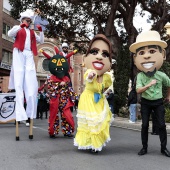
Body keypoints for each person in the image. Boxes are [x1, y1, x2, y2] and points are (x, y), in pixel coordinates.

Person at [129, 30, 170, 157]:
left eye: (152, 51)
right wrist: (149, 85)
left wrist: (168, 96)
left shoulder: (161, 75)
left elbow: (169, 84)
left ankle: (164, 148)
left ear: (162, 54)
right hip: (146, 102)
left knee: (162, 125)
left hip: (158, 102)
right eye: (142, 53)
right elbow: (138, 90)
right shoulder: (140, 76)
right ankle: (144, 148)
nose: (147, 56)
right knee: (145, 125)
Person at [74, 34, 113, 153]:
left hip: (100, 100)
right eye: (95, 52)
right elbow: (89, 78)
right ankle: (91, 144)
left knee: (100, 121)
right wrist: (91, 76)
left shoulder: (106, 77)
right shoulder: (89, 72)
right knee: (91, 121)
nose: (100, 57)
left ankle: (97, 143)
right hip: (88, 99)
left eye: (105, 54)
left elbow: (106, 86)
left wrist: (105, 92)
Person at [8, 11, 44, 139]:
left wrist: (41, 30)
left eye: (29, 21)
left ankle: (29, 114)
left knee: (31, 87)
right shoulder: (18, 29)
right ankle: (20, 114)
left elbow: (41, 40)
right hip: (19, 52)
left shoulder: (32, 32)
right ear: (22, 19)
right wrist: (20, 26)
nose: (28, 22)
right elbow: (9, 33)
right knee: (18, 81)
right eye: (26, 20)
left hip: (28, 54)